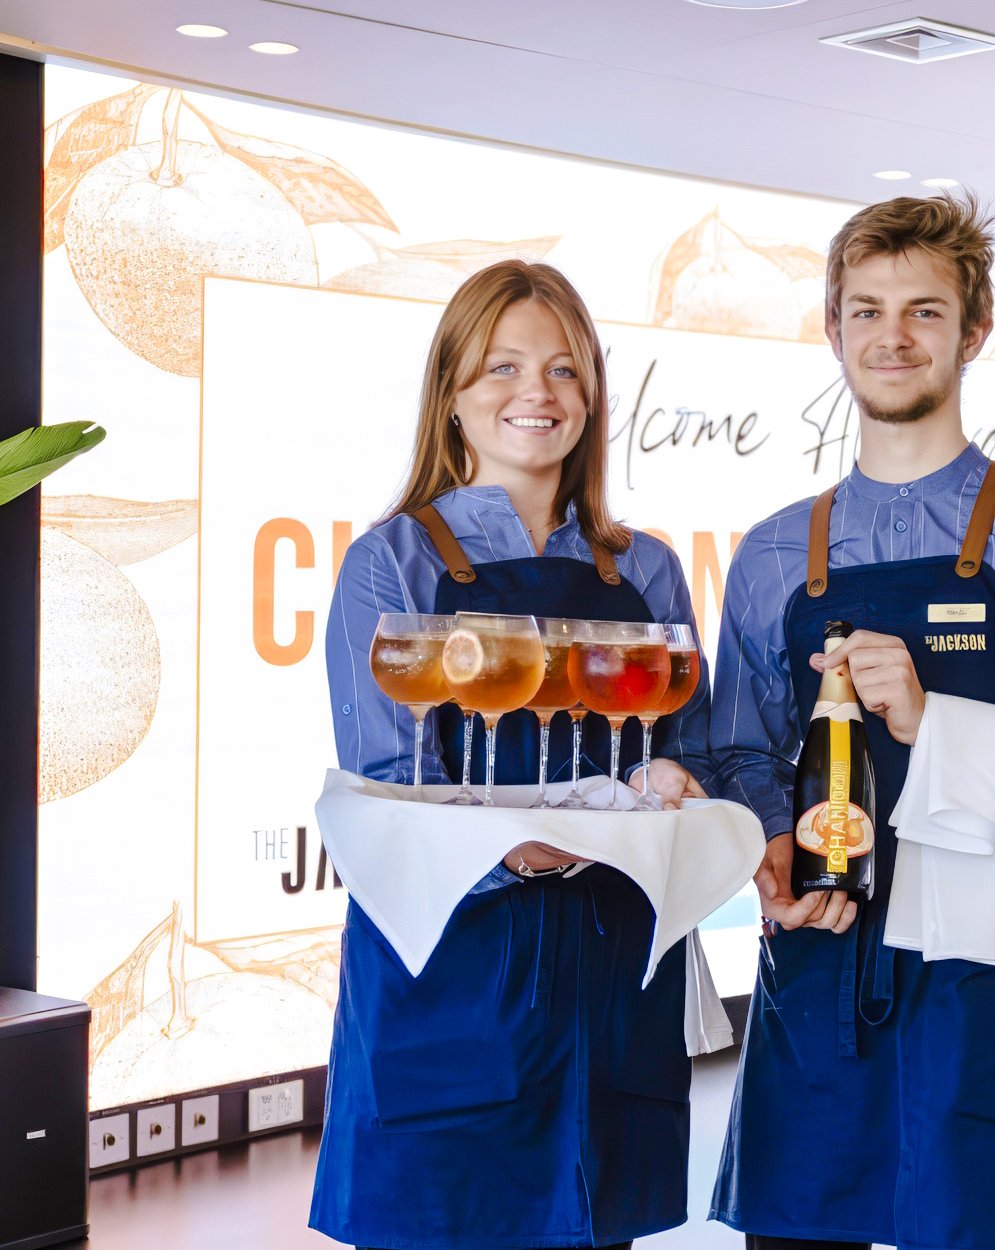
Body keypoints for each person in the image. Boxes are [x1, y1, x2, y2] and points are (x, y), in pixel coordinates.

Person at [709, 195, 995, 1250]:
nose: (892, 335)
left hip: (982, 982)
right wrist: (776, 851)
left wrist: (936, 721)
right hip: (818, 978)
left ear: (974, 332)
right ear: (831, 329)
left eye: (925, 310)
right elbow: (738, 750)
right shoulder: (778, 551)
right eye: (866, 309)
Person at [311, 260, 714, 1250]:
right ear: (451, 395)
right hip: (452, 978)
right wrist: (515, 843)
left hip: (610, 979)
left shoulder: (646, 566)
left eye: (564, 370)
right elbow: (388, 782)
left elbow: (677, 754)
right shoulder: (394, 562)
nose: (536, 392)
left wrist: (670, 786)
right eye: (501, 367)